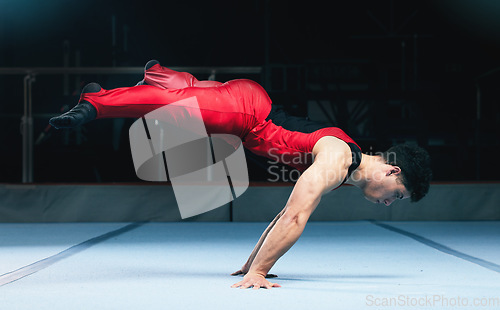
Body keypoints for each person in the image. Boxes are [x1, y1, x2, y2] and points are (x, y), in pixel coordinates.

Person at [49, 60, 432, 289]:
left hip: (248, 116)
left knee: (184, 101)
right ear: (391, 169)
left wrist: (253, 263)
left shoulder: (343, 168)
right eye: (396, 194)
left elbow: (285, 214)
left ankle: (161, 74)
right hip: (249, 115)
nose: (388, 203)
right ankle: (95, 101)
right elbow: (297, 216)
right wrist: (261, 272)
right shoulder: (337, 157)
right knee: (174, 110)